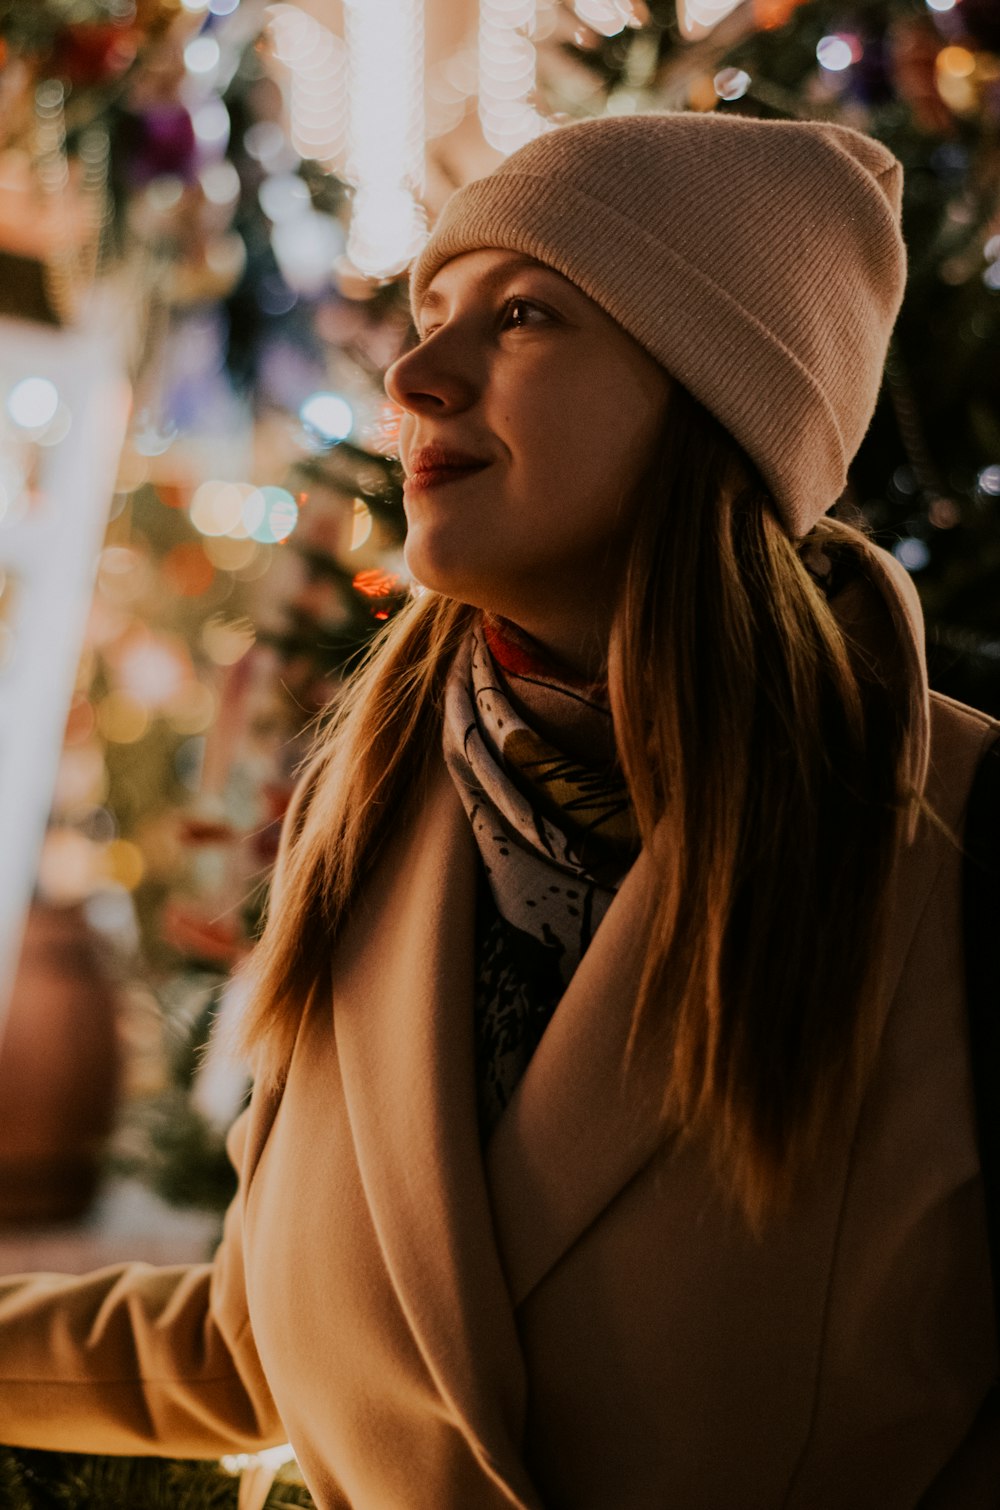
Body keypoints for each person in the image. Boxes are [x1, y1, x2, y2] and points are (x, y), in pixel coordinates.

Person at [0, 111, 997, 1510]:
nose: (413, 373)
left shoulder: (954, 845)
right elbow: (256, 1343)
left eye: (522, 315)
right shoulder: (369, 812)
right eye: (430, 312)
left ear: (716, 400)